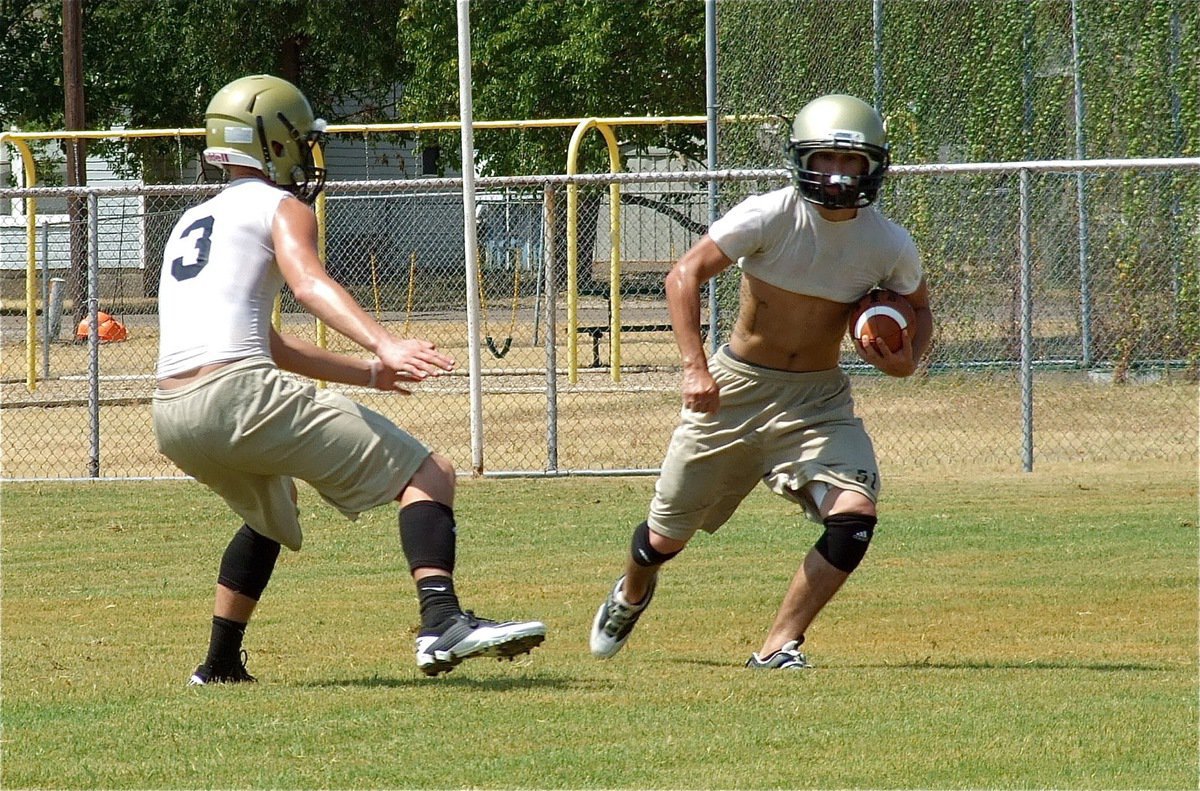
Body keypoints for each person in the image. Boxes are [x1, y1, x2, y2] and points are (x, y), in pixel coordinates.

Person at [153, 74, 545, 684]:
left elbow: (272, 344)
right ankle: (441, 622)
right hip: (236, 394)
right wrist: (385, 341)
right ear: (272, 142)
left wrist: (368, 373)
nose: (309, 153)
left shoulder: (189, 224)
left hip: (173, 413)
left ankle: (220, 663)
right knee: (429, 472)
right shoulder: (281, 206)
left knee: (268, 516)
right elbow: (309, 285)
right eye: (301, 139)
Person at [589, 93, 932, 669]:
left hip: (817, 400)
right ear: (802, 160)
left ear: (875, 166)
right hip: (734, 390)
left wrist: (907, 360)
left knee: (854, 518)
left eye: (853, 162)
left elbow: (919, 312)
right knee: (662, 540)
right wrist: (695, 367)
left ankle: (779, 645)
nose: (840, 174)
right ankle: (632, 591)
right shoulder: (769, 214)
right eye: (826, 159)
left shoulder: (889, 243)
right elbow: (683, 275)